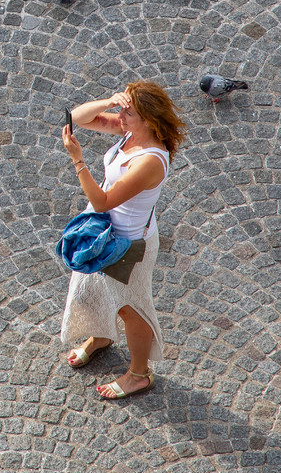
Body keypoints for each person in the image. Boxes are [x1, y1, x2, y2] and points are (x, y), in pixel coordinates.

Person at [58, 80, 186, 400]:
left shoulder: (149, 160)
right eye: (122, 109)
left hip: (127, 246)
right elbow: (77, 117)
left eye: (128, 112)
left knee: (131, 309)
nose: (120, 115)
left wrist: (78, 160)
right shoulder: (130, 131)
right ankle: (102, 336)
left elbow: (102, 201)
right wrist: (108, 101)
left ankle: (139, 374)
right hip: (104, 233)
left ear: (149, 120)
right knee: (93, 289)